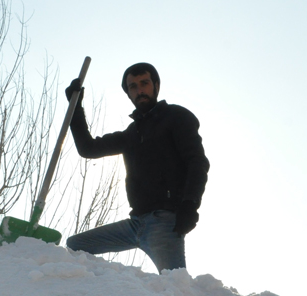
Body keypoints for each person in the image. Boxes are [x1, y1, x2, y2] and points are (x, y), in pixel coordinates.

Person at [64, 62, 209, 272]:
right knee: (76, 245)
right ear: (128, 94)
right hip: (134, 224)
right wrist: (75, 107)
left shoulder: (176, 117)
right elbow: (88, 149)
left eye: (144, 83)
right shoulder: (132, 134)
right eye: (133, 86)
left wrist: (190, 205)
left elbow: (197, 162)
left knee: (176, 289)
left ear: (156, 86)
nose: (139, 90)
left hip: (164, 223)